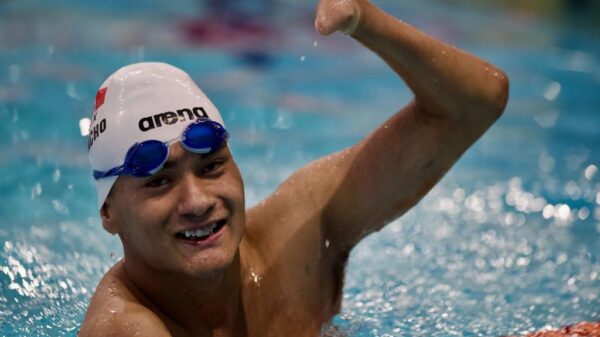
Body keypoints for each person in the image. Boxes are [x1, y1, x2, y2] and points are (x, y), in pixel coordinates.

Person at [79, 0, 511, 336]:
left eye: (211, 167)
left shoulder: (299, 235)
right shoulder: (123, 328)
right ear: (108, 212)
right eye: (159, 182)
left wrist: (365, 20)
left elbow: (473, 105)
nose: (197, 201)